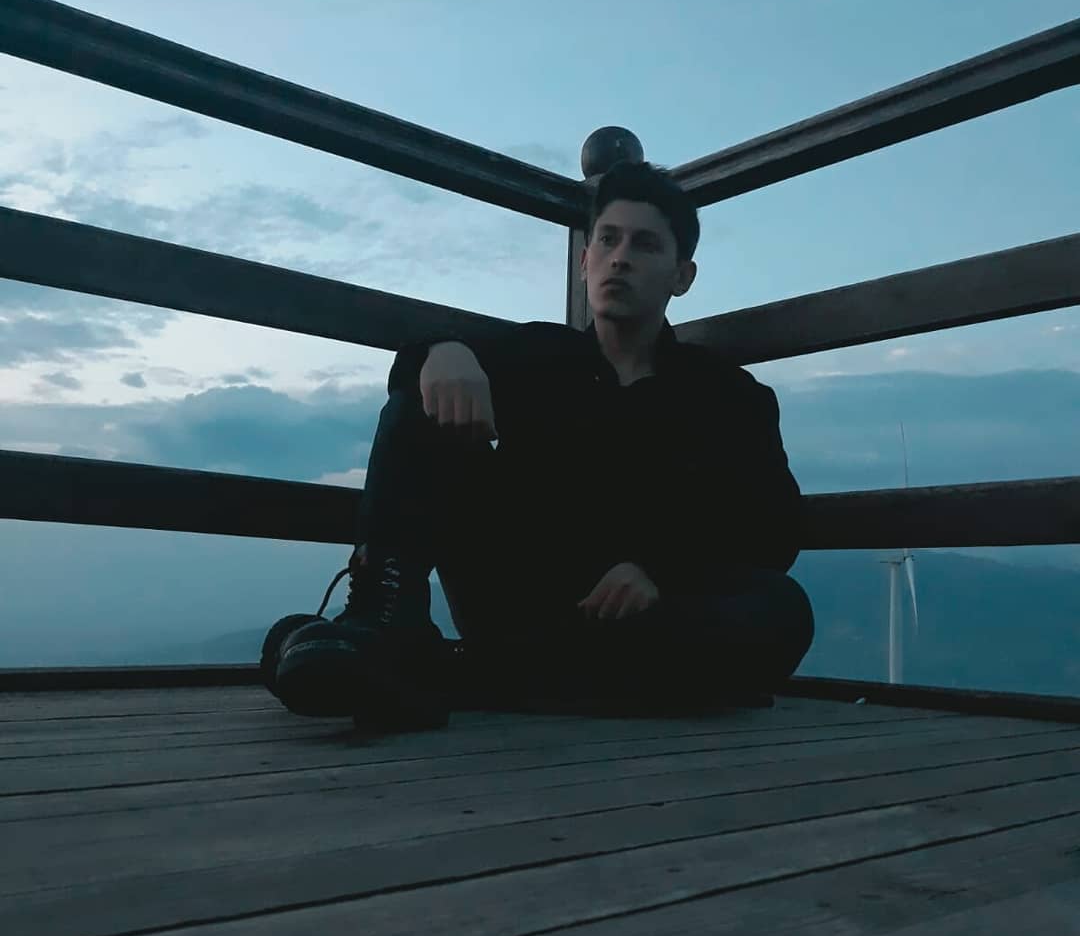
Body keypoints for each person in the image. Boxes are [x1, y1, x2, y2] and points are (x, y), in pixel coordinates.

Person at [262, 160, 815, 730]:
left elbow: (774, 526)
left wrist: (660, 572)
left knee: (783, 607)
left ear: (682, 276)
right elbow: (417, 388)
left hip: (652, 616)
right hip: (521, 603)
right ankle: (383, 624)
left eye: (645, 244)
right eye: (608, 240)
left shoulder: (728, 395)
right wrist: (441, 352)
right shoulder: (537, 357)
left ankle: (445, 674)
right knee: (422, 404)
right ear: (585, 261)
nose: (620, 258)